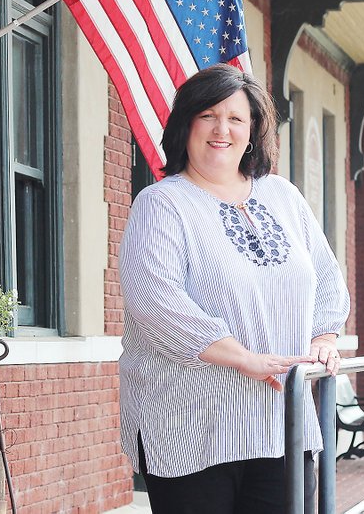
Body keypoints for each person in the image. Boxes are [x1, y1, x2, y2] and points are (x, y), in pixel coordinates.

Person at [118, 63, 350, 514]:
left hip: (283, 421)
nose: (221, 129)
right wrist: (243, 358)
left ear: (253, 132)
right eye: (208, 115)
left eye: (236, 118)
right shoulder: (162, 203)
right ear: (186, 124)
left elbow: (324, 274)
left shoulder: (283, 196)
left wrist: (324, 337)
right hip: (192, 424)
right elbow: (154, 299)